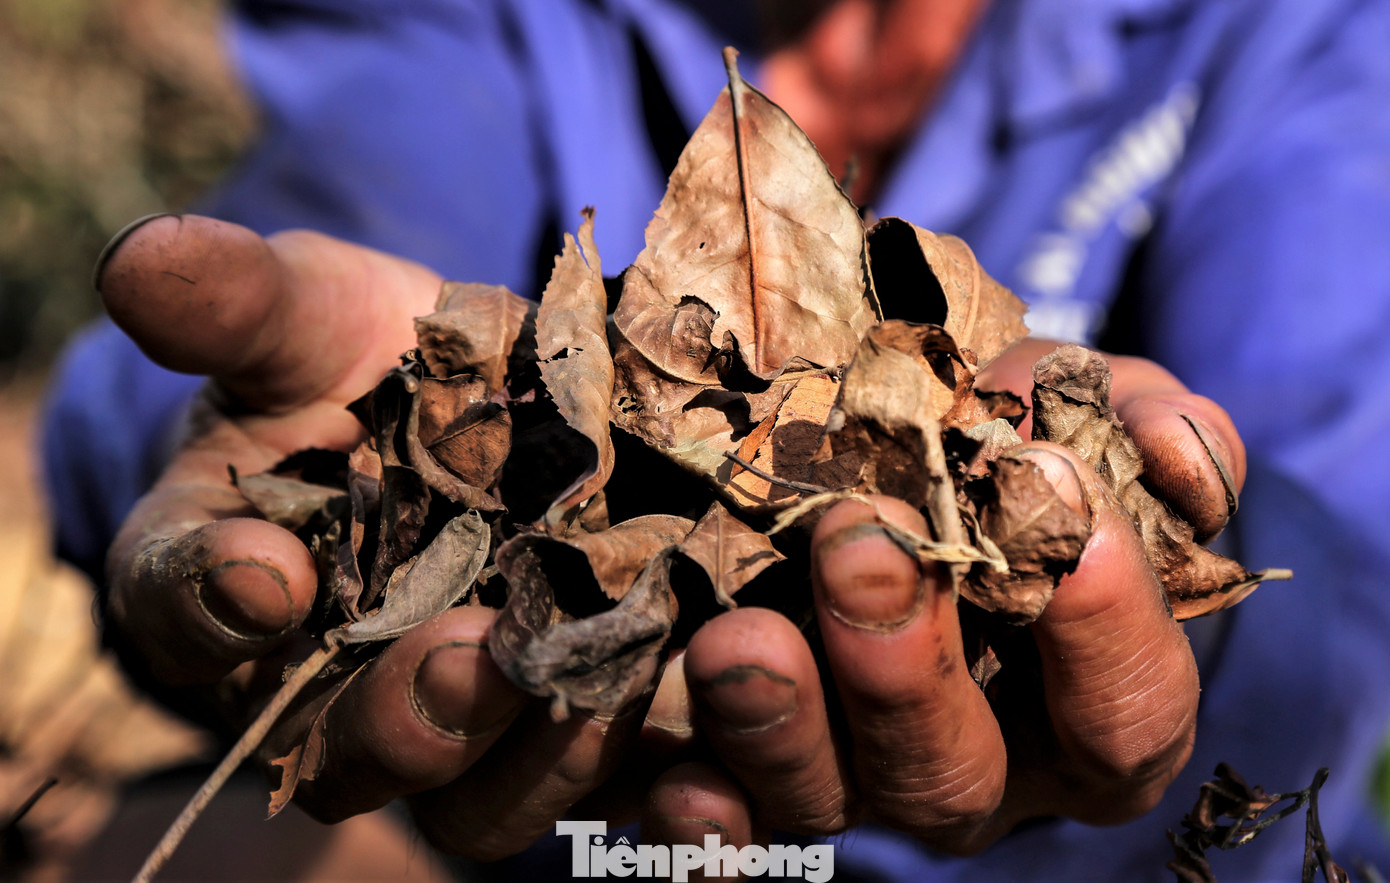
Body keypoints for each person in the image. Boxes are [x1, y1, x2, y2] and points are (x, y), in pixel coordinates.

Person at [42, 0, 1390, 879]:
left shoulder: (1277, 33)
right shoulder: (475, 30)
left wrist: (1135, 587)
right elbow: (329, 236)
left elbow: (1324, 544)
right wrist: (241, 435)